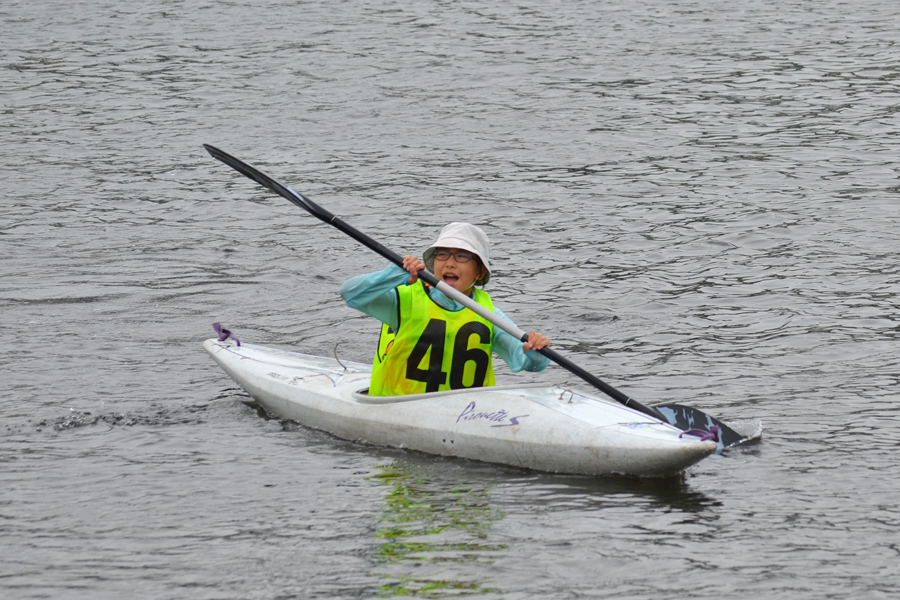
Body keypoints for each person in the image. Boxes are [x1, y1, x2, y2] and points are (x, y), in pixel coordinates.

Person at [340, 222, 551, 396]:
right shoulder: (403, 300)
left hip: (465, 413)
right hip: (396, 407)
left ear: (479, 272)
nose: (449, 263)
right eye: (442, 254)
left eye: (462, 256)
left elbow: (530, 364)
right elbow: (351, 294)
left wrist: (536, 353)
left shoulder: (490, 315)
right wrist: (395, 274)